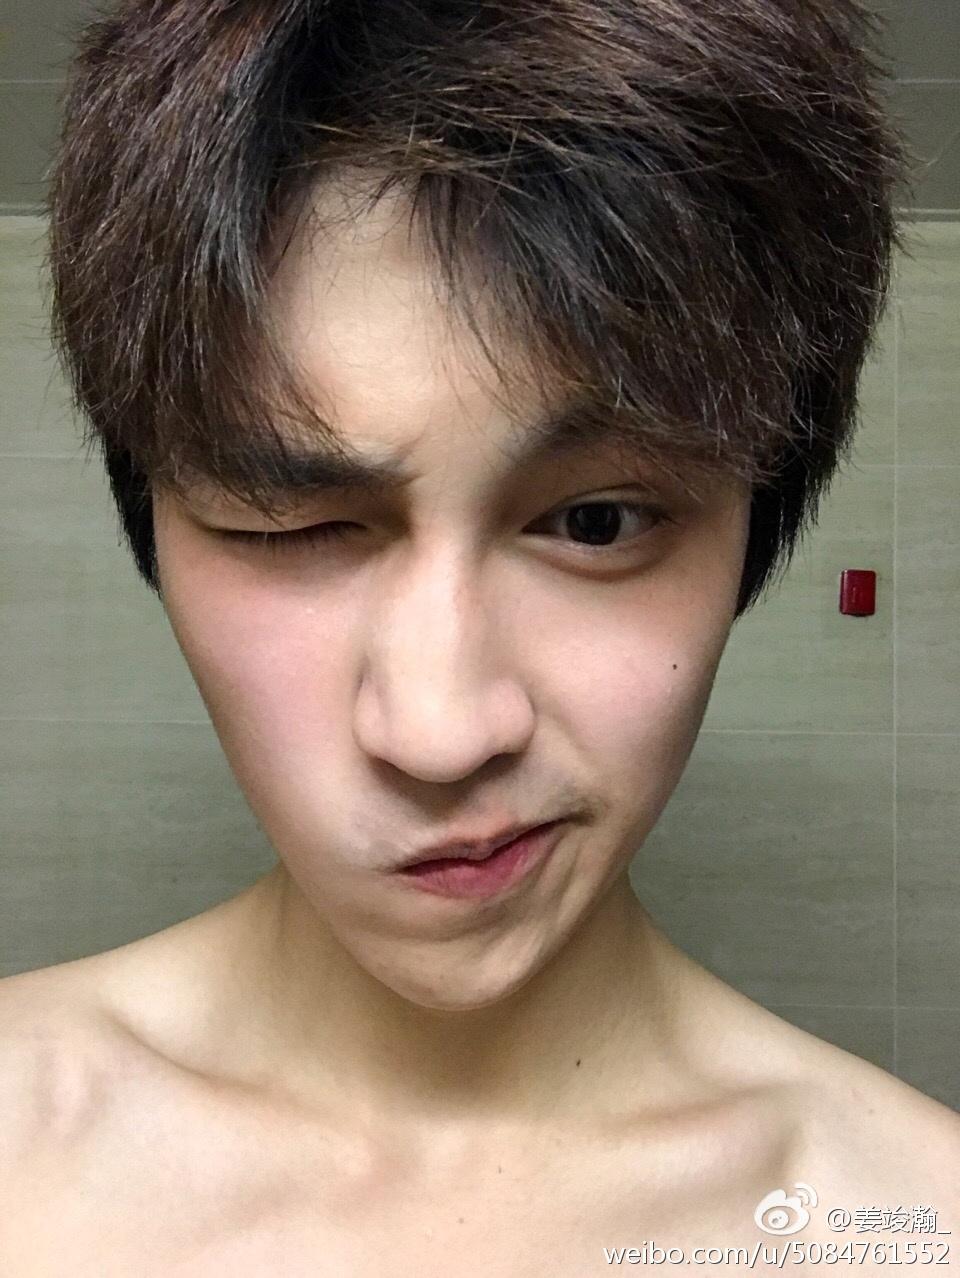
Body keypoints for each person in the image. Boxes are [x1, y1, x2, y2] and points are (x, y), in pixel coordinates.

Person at [2, 0, 957, 1270]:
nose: (441, 734)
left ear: (753, 523)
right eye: (290, 526)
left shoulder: (908, 1223)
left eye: (598, 521)